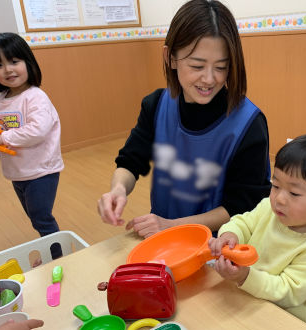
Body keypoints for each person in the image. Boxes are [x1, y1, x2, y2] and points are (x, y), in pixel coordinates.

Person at [98, 0, 271, 238]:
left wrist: (170, 225)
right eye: (197, 65)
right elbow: (130, 161)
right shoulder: (156, 106)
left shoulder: (248, 123)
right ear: (170, 57)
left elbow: (242, 206)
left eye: (221, 67)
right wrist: (118, 189)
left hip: (220, 246)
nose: (209, 79)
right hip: (165, 238)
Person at [208, 133, 306, 327]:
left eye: (294, 193)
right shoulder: (268, 208)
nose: (279, 199)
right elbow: (243, 223)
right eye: (275, 185)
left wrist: (245, 276)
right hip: (246, 298)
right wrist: (229, 235)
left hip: (284, 321)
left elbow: (287, 292)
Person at [0, 32, 64, 259]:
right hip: (18, 172)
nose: (8, 69)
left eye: (14, 62)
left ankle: (57, 256)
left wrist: (2, 138)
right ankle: (51, 250)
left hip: (41, 170)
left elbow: (36, 131)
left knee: (41, 217)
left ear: (28, 63)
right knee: (34, 216)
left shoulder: (35, 97)